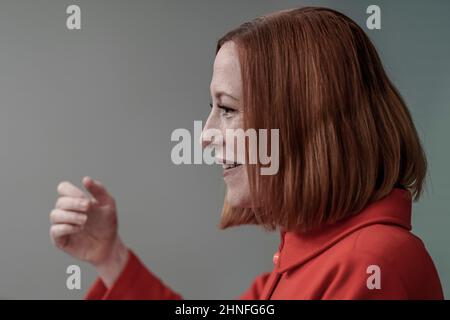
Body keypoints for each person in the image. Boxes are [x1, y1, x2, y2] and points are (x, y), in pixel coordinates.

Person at [49, 7, 443, 299]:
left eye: (228, 109)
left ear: (301, 120)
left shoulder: (374, 265)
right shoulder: (300, 262)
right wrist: (109, 255)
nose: (205, 136)